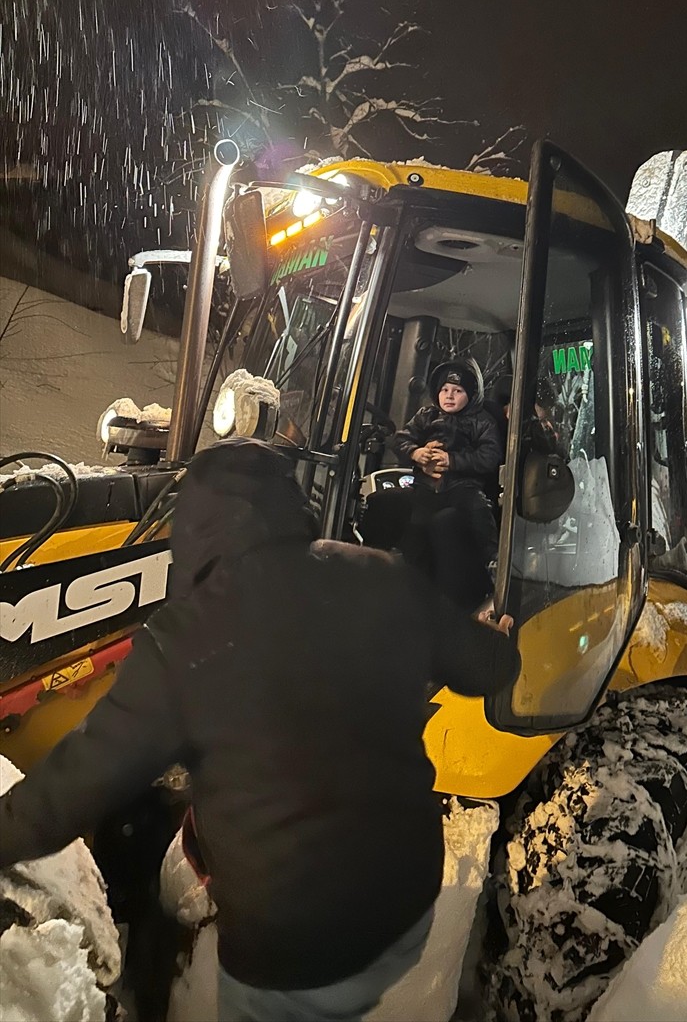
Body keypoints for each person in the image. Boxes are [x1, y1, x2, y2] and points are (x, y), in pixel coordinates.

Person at [0, 438, 520, 1022]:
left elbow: (74, 787)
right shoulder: (380, 573)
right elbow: (489, 668)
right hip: (406, 901)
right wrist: (495, 639)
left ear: (195, 527)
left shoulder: (184, 637)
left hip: (294, 952)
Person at [391, 358, 503, 610]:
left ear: (471, 395)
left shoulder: (481, 421)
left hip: (462, 485)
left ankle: (493, 560)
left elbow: (489, 456)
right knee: (414, 529)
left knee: (478, 509)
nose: (449, 396)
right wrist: (415, 453)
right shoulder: (426, 415)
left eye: (458, 391)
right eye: (444, 390)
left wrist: (452, 460)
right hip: (426, 487)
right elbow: (400, 439)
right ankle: (412, 583)